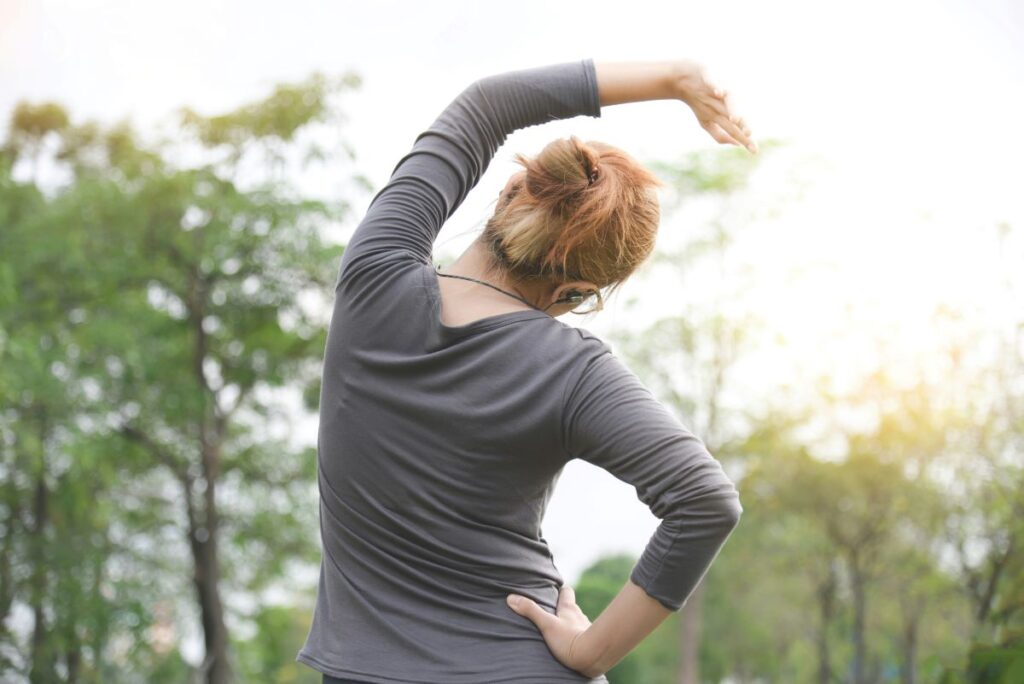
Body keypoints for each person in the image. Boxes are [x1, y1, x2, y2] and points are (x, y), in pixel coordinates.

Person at [296, 57, 755, 684]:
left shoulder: (373, 275)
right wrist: (592, 653)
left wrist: (671, 81)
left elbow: (486, 104)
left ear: (512, 192)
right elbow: (705, 501)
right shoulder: (571, 371)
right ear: (576, 289)